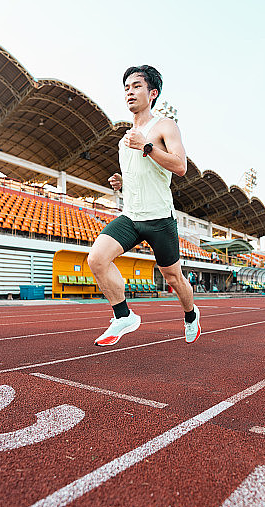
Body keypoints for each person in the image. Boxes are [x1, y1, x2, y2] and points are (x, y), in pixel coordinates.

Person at [87, 65, 201, 346]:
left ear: (152, 93)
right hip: (131, 216)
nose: (129, 92)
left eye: (136, 86)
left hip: (159, 217)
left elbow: (180, 167)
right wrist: (121, 182)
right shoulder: (125, 138)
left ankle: (191, 314)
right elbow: (141, 175)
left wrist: (147, 147)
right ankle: (123, 315)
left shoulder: (164, 126)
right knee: (97, 259)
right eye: (126, 87)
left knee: (172, 277)